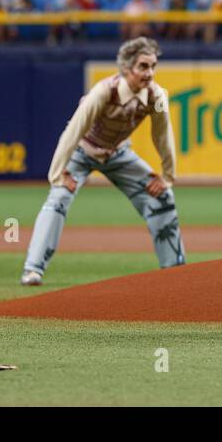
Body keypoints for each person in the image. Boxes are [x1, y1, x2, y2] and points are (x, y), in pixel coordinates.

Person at [21, 37, 183, 284]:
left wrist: (167, 177)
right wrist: (58, 175)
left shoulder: (157, 96)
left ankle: (175, 272)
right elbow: (73, 131)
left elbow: (162, 135)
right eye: (143, 66)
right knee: (59, 197)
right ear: (127, 68)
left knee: (161, 196)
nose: (149, 73)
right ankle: (32, 269)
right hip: (82, 152)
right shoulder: (103, 91)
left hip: (117, 153)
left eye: (153, 66)